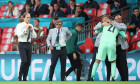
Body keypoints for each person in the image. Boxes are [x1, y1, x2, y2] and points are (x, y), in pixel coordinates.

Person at [105, 15, 129, 81]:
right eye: (116, 18)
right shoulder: (111, 25)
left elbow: (120, 28)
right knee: (117, 64)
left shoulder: (123, 25)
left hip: (121, 47)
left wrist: (112, 22)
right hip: (114, 47)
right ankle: (122, 78)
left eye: (119, 18)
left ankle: (125, 79)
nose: (118, 19)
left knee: (123, 64)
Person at [16, 12, 37, 81]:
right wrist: (25, 28)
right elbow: (19, 35)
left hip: (29, 44)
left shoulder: (31, 25)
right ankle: (19, 77)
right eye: (27, 17)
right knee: (24, 61)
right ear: (23, 18)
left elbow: (35, 36)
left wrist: (31, 30)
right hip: (22, 44)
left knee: (28, 62)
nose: (29, 19)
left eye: (29, 17)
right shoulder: (20, 25)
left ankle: (24, 78)